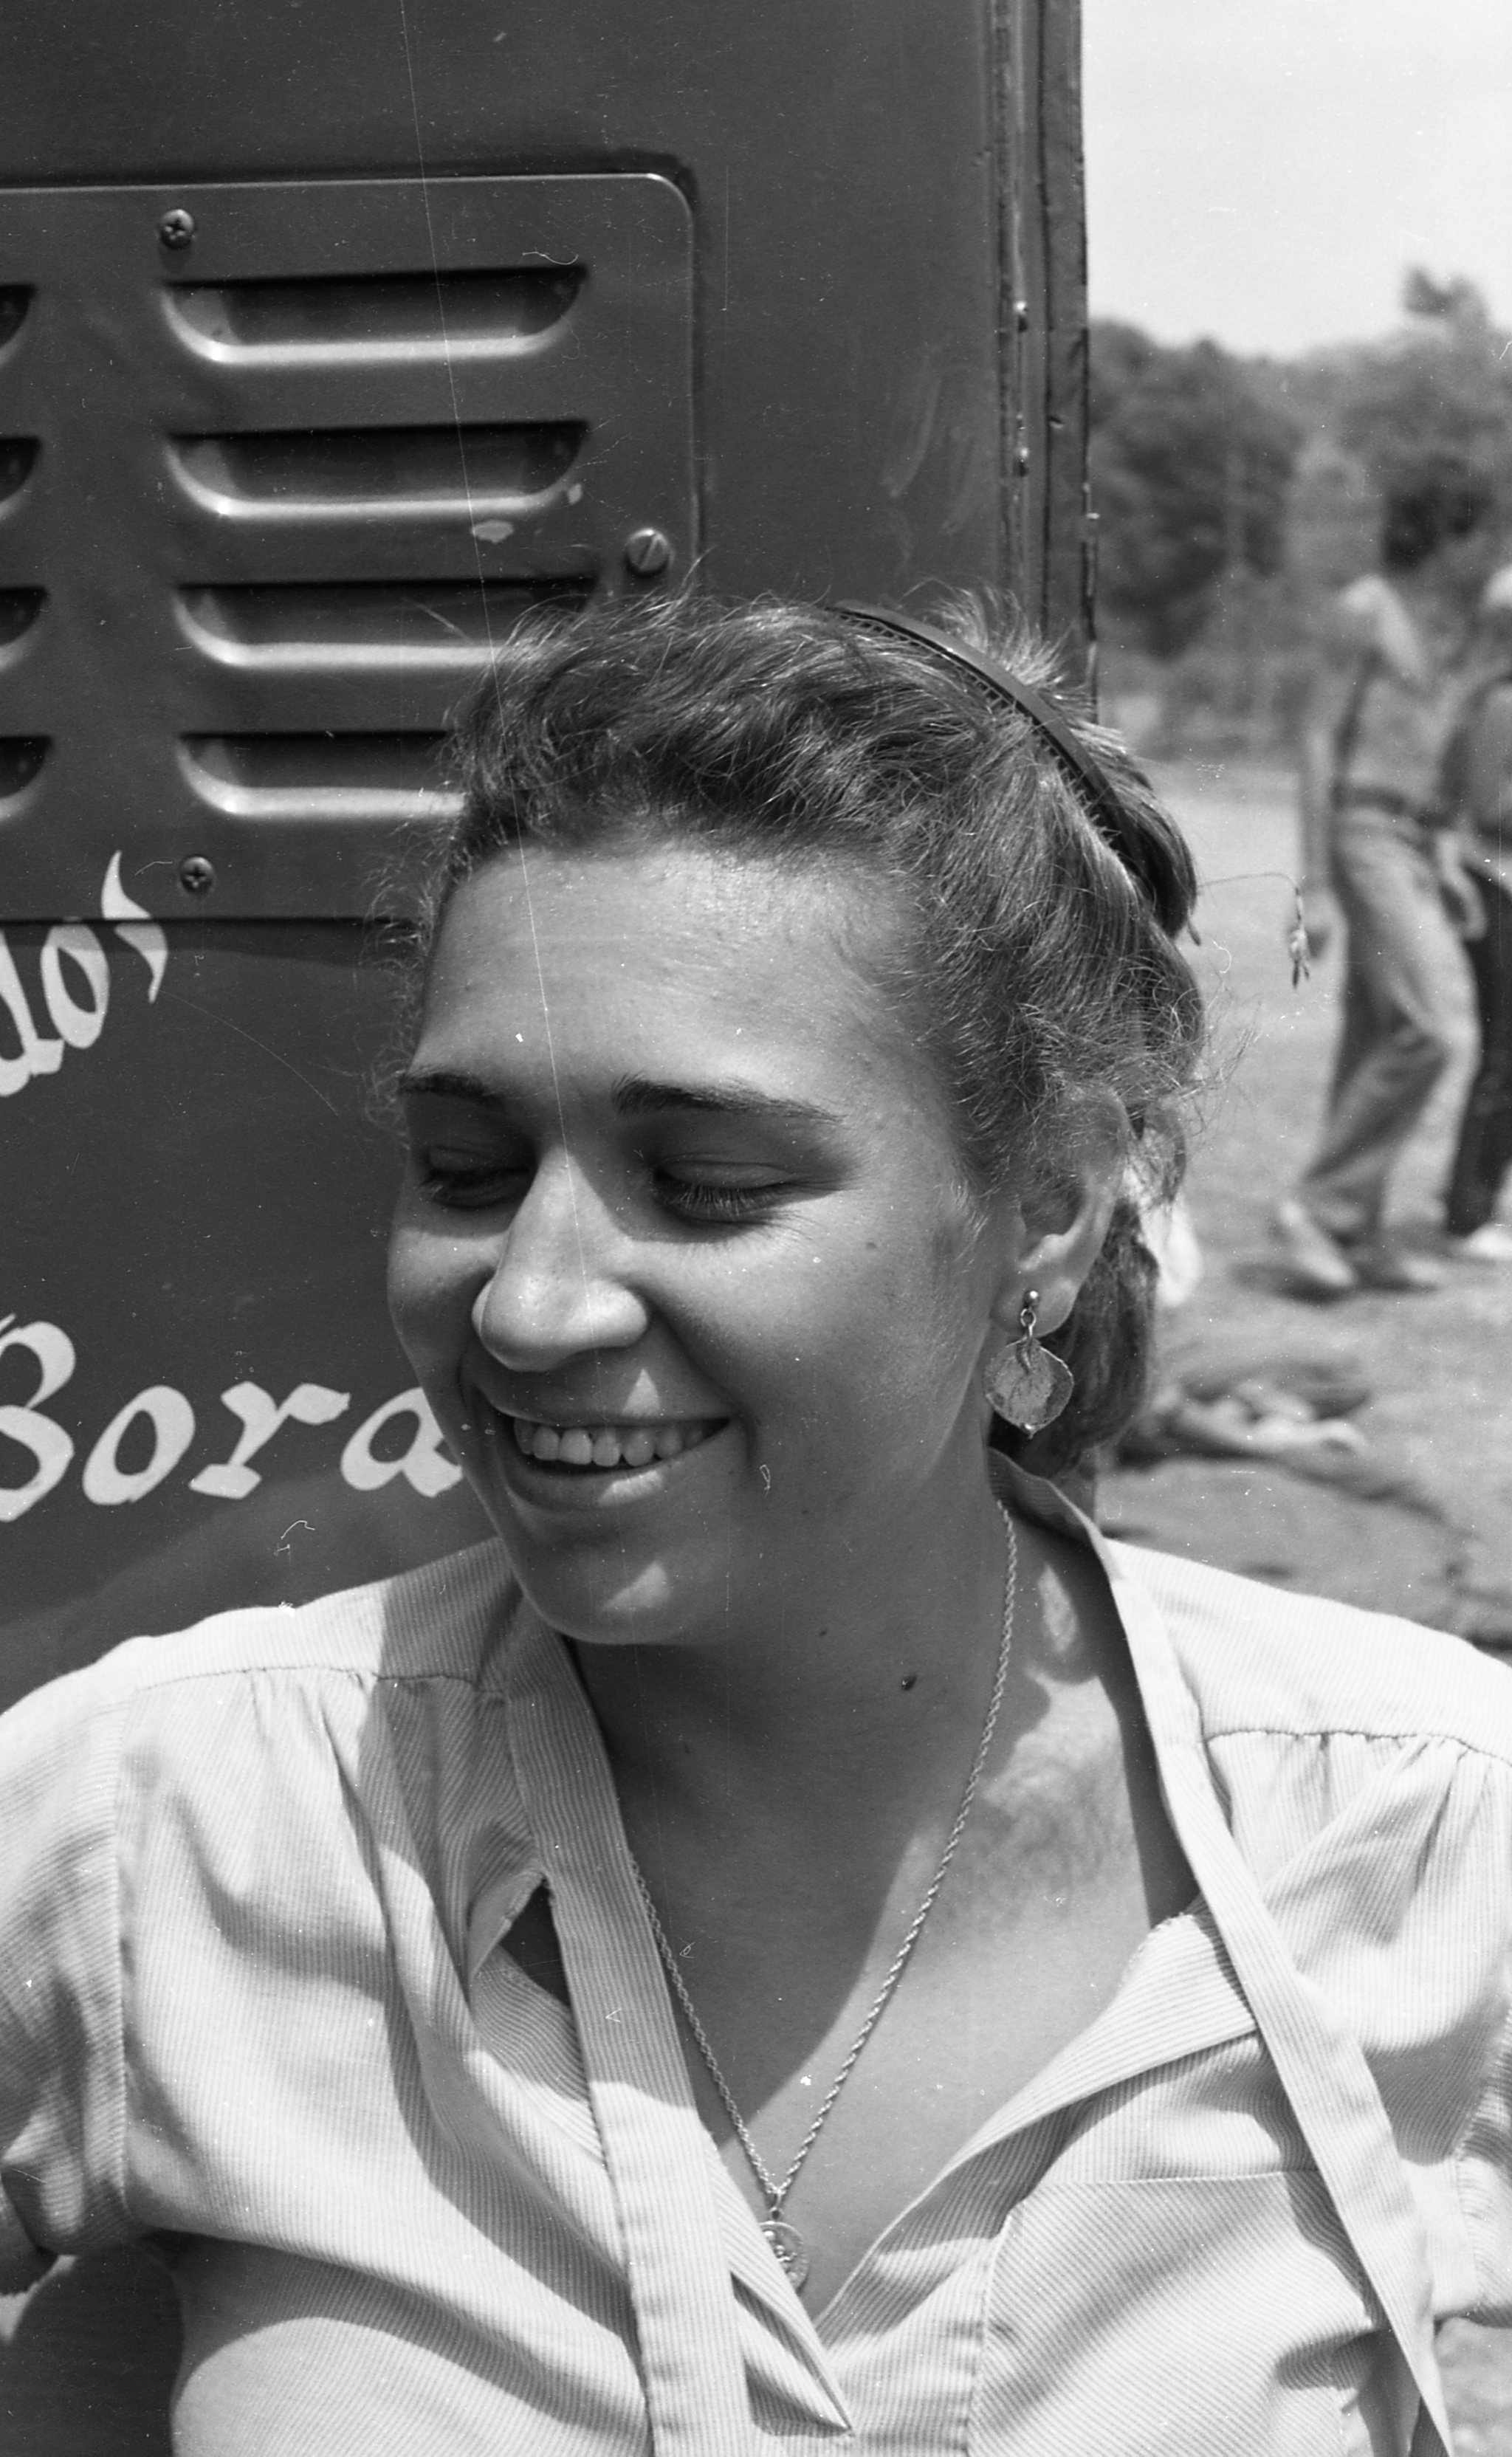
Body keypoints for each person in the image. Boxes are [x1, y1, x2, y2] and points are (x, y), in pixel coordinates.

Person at [2, 594, 1511, 2457]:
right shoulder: (179, 1822)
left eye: (707, 1185)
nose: (530, 1301)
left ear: (1045, 1202)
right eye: (466, 1170)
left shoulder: (1413, 1828)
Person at [1273, 461, 1491, 1299]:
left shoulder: (1434, 628)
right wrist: (1316, 884)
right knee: (1431, 1028)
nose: (1485, 554)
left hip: (1410, 839)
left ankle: (1354, 1232)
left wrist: (1444, 857)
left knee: (1375, 1033)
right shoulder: (1364, 609)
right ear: (1444, 536)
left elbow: (1425, 754)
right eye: (1477, 536)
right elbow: (1317, 741)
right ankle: (1317, 1204)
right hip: (1362, 831)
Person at [1438, 563, 1512, 1260]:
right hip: (1494, 881)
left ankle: (1486, 1190)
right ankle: (1468, 1212)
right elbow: (1490, 807)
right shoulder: (1500, 704)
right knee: (1503, 1052)